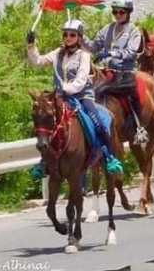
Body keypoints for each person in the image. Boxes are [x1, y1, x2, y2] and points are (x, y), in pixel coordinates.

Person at [26, 18, 123, 178]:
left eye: (72, 35)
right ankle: (43, 161)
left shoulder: (84, 56)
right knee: (43, 123)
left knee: (99, 124)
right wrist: (31, 46)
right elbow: (37, 61)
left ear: (79, 37)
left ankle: (109, 157)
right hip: (59, 97)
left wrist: (62, 88)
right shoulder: (57, 53)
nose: (68, 37)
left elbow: (80, 81)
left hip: (82, 97)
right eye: (66, 34)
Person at [85, 0, 148, 145]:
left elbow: (131, 52)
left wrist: (112, 54)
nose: (118, 15)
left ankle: (139, 128)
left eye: (121, 12)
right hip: (104, 70)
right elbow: (93, 47)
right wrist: (80, 37)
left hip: (125, 71)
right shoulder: (107, 28)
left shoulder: (134, 31)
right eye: (115, 12)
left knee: (132, 93)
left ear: (128, 13)